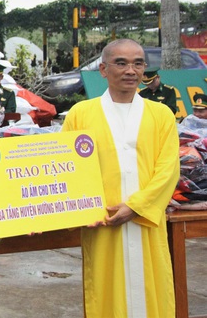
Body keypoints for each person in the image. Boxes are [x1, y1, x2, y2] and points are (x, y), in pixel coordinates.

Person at [61, 39, 179, 317]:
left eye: (138, 63)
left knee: (152, 291)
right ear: (103, 69)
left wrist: (136, 206)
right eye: (121, 63)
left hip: (146, 221)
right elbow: (65, 166)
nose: (131, 70)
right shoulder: (81, 113)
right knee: (105, 293)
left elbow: (168, 169)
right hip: (102, 220)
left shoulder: (161, 114)